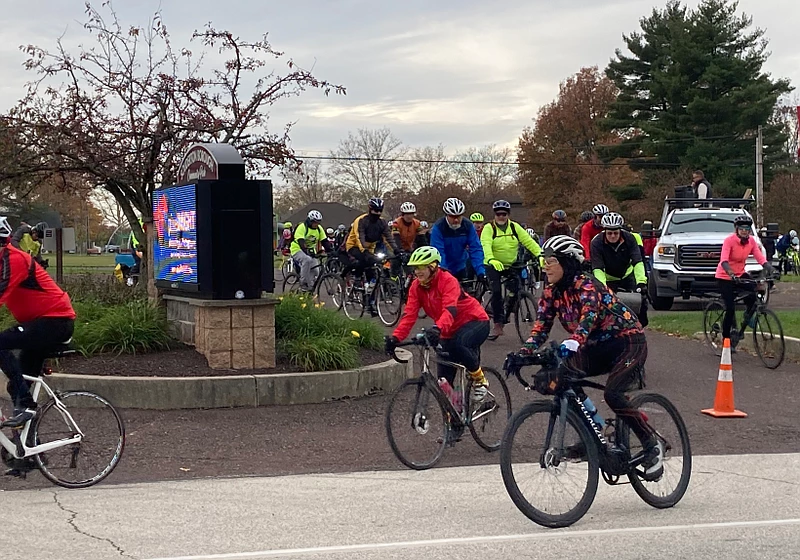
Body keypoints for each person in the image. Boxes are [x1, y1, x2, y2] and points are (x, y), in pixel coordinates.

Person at [517, 235, 663, 480]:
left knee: (613, 394)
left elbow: (589, 316)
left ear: (567, 262)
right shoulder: (550, 292)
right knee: (560, 378)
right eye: (544, 260)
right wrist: (524, 352)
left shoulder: (586, 285)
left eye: (551, 260)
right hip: (595, 346)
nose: (545, 265)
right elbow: (541, 327)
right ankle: (592, 435)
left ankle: (652, 445)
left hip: (627, 341)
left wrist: (575, 340)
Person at [385, 246, 491, 403]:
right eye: (415, 268)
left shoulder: (448, 281)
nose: (417, 272)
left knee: (460, 343)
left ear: (433, 266)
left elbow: (450, 310)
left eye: (421, 267)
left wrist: (437, 328)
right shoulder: (416, 286)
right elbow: (409, 315)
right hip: (447, 329)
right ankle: (455, 418)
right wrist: (395, 338)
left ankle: (480, 381)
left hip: (474, 321)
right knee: (443, 382)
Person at [0, 217, 77, 428]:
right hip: (38, 324)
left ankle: (26, 404)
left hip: (56, 321)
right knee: (18, 385)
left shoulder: (13, 259)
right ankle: (27, 454)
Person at [481, 199, 542, 338]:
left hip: (510, 264)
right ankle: (498, 323)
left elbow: (528, 241)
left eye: (504, 214)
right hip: (493, 264)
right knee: (496, 291)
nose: (501, 217)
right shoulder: (489, 228)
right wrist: (491, 259)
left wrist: (539, 254)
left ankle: (509, 304)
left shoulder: (515, 227)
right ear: (494, 215)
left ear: (508, 214)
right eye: (498, 214)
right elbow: (486, 244)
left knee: (517, 288)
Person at [715, 215, 773, 347]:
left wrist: (770, 268)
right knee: (730, 308)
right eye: (742, 228)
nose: (745, 231)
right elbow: (723, 260)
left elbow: (760, 258)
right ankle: (726, 339)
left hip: (740, 274)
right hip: (725, 276)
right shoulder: (729, 241)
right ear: (736, 229)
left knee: (754, 293)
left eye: (747, 228)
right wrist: (730, 272)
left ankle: (747, 317)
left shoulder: (751, 241)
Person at [590, 212, 649, 327]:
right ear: (604, 231)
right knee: (603, 305)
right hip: (608, 276)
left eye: (616, 233)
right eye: (610, 233)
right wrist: (602, 288)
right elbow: (598, 269)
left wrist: (641, 282)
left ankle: (639, 327)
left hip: (627, 274)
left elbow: (637, 262)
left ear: (620, 231)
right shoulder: (596, 242)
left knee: (642, 301)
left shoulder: (630, 238)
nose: (613, 236)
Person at [430, 197, 485, 283]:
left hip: (461, 266)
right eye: (452, 217)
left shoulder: (468, 226)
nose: (456, 220)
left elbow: (475, 248)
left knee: (466, 294)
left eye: (458, 216)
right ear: (446, 215)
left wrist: (481, 272)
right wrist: (444, 272)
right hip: (444, 266)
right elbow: (438, 252)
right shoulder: (438, 228)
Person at [345, 198, 398, 283]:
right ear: (370, 209)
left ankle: (370, 290)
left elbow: (388, 238)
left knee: (372, 269)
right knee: (364, 259)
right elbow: (359, 237)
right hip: (354, 246)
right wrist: (364, 251)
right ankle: (357, 279)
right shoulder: (361, 220)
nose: (378, 213)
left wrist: (396, 250)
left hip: (370, 248)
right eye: (375, 211)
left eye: (380, 211)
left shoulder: (382, 222)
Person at [290, 210, 332, 292]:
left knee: (316, 271)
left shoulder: (319, 229)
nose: (316, 224)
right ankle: (304, 283)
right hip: (297, 249)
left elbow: (324, 241)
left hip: (310, 251)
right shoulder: (302, 227)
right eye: (315, 222)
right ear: (309, 221)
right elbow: (301, 242)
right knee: (307, 260)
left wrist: (331, 251)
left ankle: (309, 287)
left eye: (318, 223)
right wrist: (307, 251)